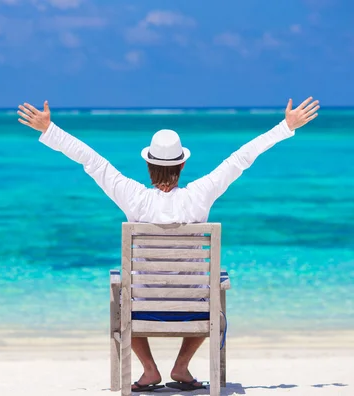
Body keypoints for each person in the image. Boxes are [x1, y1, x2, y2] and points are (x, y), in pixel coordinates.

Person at [17, 97, 320, 391]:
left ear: (148, 165)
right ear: (182, 165)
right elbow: (241, 159)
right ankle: (181, 366)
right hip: (194, 310)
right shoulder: (200, 195)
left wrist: (50, 130)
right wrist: (285, 126)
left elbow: (92, 161)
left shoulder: (133, 196)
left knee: (122, 298)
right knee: (214, 295)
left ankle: (149, 369)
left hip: (141, 310)